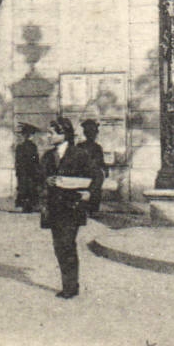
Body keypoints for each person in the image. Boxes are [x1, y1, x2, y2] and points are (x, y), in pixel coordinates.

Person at [41, 117, 102, 299]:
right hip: (54, 207)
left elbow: (97, 175)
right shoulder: (47, 156)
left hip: (72, 206)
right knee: (59, 246)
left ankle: (71, 286)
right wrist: (46, 180)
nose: (48, 136)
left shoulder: (79, 154)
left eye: (51, 133)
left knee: (67, 244)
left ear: (63, 134)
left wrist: (90, 192)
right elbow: (39, 177)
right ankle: (68, 284)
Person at [77, 118, 107, 217]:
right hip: (87, 172)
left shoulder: (83, 146)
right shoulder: (84, 146)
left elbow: (101, 162)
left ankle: (89, 207)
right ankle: (92, 208)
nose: (93, 135)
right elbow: (100, 162)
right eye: (91, 133)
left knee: (97, 178)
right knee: (98, 178)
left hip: (87, 172)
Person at [13, 123, 43, 213]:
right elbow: (35, 161)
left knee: (23, 188)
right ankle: (30, 205)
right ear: (30, 135)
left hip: (22, 173)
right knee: (31, 188)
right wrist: (37, 171)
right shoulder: (32, 147)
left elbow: (18, 162)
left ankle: (25, 206)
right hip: (31, 172)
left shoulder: (19, 147)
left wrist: (19, 172)